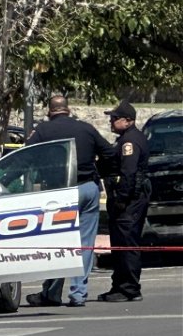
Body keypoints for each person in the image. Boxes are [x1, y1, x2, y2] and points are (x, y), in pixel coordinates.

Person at [23, 96, 114, 308]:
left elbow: (25, 157)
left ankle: (52, 293)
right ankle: (78, 294)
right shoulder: (86, 128)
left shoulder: (43, 131)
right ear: (68, 109)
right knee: (85, 244)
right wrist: (95, 170)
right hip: (87, 188)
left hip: (58, 192)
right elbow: (110, 153)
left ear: (50, 111)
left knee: (58, 243)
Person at [98, 101, 150, 302]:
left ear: (128, 121)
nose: (111, 122)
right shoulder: (124, 139)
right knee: (119, 242)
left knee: (127, 241)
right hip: (124, 200)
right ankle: (119, 285)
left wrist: (121, 200)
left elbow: (128, 174)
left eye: (115, 118)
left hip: (129, 201)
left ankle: (129, 288)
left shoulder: (130, 142)